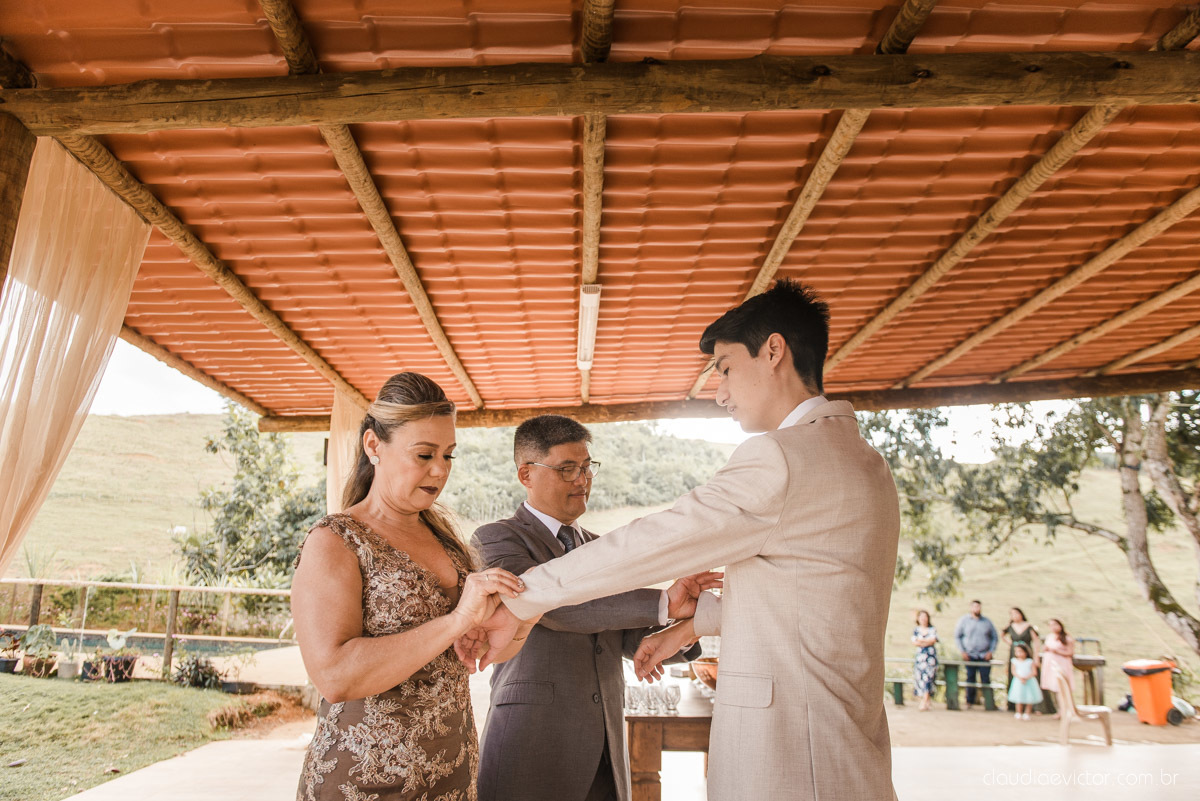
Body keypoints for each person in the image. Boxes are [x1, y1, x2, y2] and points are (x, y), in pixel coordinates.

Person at [459, 279, 902, 800]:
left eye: (726, 368)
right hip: (840, 746)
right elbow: (807, 601)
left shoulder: (782, 457)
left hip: (791, 757)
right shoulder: (865, 463)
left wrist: (525, 595)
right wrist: (687, 625)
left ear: (774, 351)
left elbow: (663, 537)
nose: (720, 392)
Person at [291, 372, 533, 801]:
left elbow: (471, 656)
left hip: (452, 778)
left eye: (448, 455)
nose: (439, 470)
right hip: (363, 784)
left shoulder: (449, 541)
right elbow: (334, 675)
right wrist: (457, 620)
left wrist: (525, 618)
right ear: (373, 447)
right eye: (423, 454)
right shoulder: (335, 540)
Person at [470, 414, 713, 801]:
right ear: (526, 474)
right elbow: (554, 607)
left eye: (586, 467)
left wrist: (684, 624)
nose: (582, 481)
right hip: (532, 742)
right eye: (567, 469)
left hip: (607, 745)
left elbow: (630, 635)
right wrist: (663, 602)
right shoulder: (496, 539)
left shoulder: (602, 546)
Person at [954, 600, 998, 709]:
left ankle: (989, 703)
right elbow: (957, 636)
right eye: (974, 607)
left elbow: (994, 637)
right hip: (970, 655)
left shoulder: (987, 622)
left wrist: (991, 651)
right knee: (970, 678)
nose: (976, 609)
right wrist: (962, 651)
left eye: (978, 607)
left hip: (984, 655)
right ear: (970, 608)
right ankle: (969, 702)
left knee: (985, 678)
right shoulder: (964, 621)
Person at [1001, 607, 1039, 712]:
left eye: (1016, 613)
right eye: (1012, 614)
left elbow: (1036, 640)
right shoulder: (1010, 626)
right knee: (1015, 677)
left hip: (1027, 653)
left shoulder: (1029, 626)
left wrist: (1036, 656)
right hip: (1014, 653)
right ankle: (1015, 705)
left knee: (1031, 677)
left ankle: (1033, 706)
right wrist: (1011, 644)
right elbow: (1002, 634)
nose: (1015, 616)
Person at [1039, 617, 1075, 718]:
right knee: (1054, 689)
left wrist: (1056, 651)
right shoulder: (1050, 636)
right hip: (1050, 665)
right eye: (1051, 625)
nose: (1053, 627)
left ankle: (1066, 710)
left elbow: (1070, 652)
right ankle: (1059, 710)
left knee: (1061, 688)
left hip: (1062, 664)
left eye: (1055, 624)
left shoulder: (1067, 638)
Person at [1007, 643, 1042, 720]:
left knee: (1029, 697)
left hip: (1029, 681)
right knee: (1018, 697)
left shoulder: (1030, 661)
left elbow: (1034, 672)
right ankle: (1018, 712)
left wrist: (1026, 678)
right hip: (1018, 681)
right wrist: (1020, 678)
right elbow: (1013, 671)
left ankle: (1027, 713)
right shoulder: (1014, 661)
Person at [912, 610, 938, 711]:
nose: (923, 619)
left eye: (925, 617)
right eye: (921, 617)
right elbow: (914, 642)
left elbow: (933, 640)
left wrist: (921, 641)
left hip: (930, 658)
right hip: (920, 658)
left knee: (928, 679)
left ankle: (924, 701)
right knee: (920, 678)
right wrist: (926, 641)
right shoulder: (916, 629)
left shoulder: (932, 629)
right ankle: (926, 700)